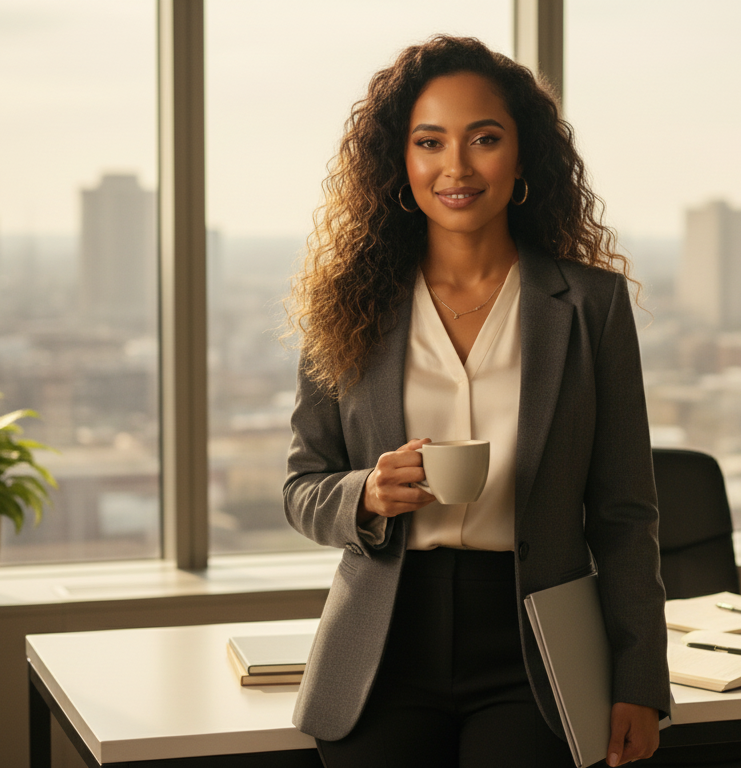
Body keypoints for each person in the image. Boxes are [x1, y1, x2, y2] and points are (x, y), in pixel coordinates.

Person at [284, 35, 669, 768]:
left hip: (536, 647)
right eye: (430, 142)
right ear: (402, 162)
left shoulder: (591, 307)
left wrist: (640, 679)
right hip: (383, 645)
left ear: (523, 157)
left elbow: (625, 514)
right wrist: (366, 492)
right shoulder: (346, 309)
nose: (455, 167)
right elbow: (302, 488)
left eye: (484, 139)